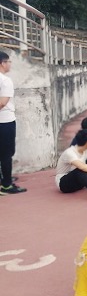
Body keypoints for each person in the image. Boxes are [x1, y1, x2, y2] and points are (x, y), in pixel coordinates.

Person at [0, 51, 26, 195]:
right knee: (7, 153)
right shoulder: (5, 81)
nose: (10, 64)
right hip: (5, 121)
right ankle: (6, 185)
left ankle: (4, 178)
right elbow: (2, 102)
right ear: (2, 63)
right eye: (8, 62)